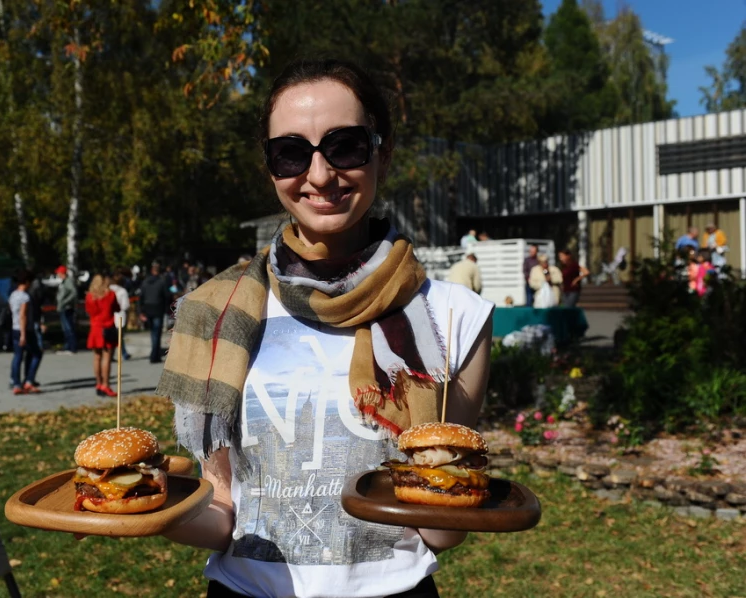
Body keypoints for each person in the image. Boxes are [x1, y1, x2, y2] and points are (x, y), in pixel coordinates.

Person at [154, 59, 495, 598]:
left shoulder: (456, 317)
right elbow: (224, 510)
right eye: (291, 152)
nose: (318, 175)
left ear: (383, 152)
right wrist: (151, 512)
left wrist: (457, 493)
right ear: (270, 168)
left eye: (345, 146)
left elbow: (438, 527)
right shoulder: (214, 315)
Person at [8, 270, 42, 395]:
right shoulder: (25, 297)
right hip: (25, 329)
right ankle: (29, 380)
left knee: (18, 356)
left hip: (14, 328)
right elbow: (23, 315)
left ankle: (16, 382)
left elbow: (13, 311)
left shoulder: (13, 295)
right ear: (27, 282)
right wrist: (23, 333)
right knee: (37, 354)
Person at [84, 273, 119, 397]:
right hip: (107, 327)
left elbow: (88, 311)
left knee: (96, 357)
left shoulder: (90, 296)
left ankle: (98, 383)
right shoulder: (110, 295)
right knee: (107, 358)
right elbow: (116, 308)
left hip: (95, 328)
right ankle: (106, 384)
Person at [138, 261, 171, 363]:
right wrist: (167, 309)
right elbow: (167, 296)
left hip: (148, 308)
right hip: (158, 308)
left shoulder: (145, 282)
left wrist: (141, 311)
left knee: (153, 332)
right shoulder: (161, 282)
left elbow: (141, 297)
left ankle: (154, 353)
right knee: (156, 332)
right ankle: (154, 355)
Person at [55, 265, 78, 354]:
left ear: (62, 273)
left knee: (68, 328)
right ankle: (68, 346)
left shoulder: (68, 281)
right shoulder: (64, 282)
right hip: (63, 308)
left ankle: (72, 347)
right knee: (65, 328)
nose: (58, 274)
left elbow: (74, 293)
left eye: (58, 273)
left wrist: (65, 302)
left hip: (66, 308)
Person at [109, 269, 132, 360]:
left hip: (110, 316)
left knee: (112, 337)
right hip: (120, 316)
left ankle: (111, 354)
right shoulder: (123, 291)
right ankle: (124, 353)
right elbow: (125, 305)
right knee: (119, 337)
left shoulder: (108, 290)